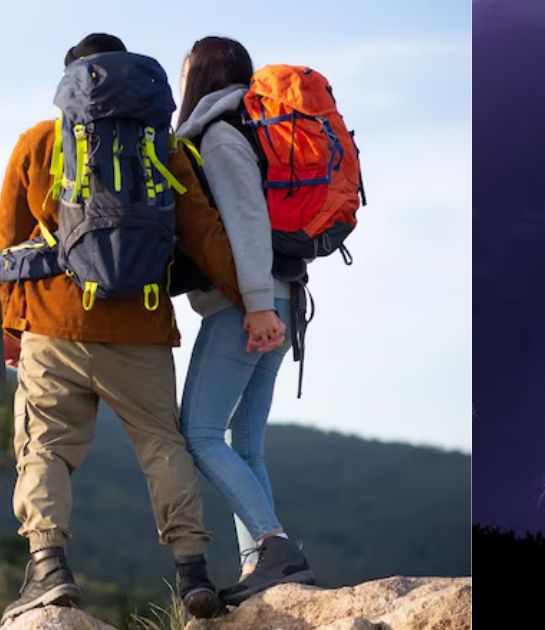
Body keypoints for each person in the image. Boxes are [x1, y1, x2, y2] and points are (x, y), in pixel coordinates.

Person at [0, 33, 240, 622]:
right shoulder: (162, 143)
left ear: (71, 82)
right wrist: (249, 300)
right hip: (142, 325)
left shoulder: (40, 141)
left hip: (55, 325)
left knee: (45, 445)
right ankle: (193, 573)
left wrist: (11, 327)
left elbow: (7, 244)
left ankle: (49, 570)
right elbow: (202, 228)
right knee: (162, 444)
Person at [174, 36, 316, 606]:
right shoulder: (255, 130)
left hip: (252, 306)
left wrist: (255, 304)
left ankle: (273, 544)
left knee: (199, 433)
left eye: (183, 69)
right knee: (245, 442)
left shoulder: (221, 134)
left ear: (200, 74)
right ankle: (265, 564)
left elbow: (248, 222)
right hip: (282, 302)